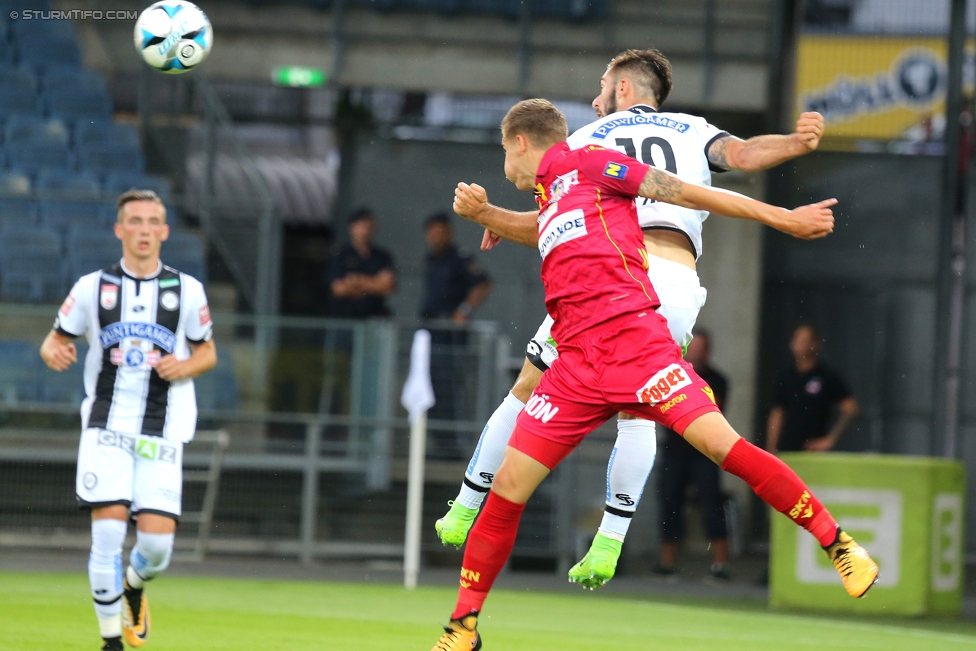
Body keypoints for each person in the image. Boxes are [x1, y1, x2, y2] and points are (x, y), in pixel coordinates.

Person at [429, 99, 876, 651]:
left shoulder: (591, 162)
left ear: (520, 141)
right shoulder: (551, 200)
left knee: (726, 450)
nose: (503, 167)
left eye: (502, 151)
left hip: (640, 350)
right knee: (509, 491)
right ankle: (463, 628)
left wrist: (783, 218)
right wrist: (488, 215)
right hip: (575, 366)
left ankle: (838, 544)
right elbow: (541, 226)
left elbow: (684, 191)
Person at [39, 190, 217, 651]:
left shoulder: (187, 290)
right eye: (134, 221)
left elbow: (207, 351)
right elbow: (51, 341)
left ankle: (134, 587)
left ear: (164, 231)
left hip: (163, 429)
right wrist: (54, 351)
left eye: (152, 221)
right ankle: (110, 642)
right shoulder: (91, 288)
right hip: (106, 427)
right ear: (120, 229)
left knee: (156, 550)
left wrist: (186, 365)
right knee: (109, 531)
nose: (143, 229)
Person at [653, 330, 731, 580]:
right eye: (693, 347)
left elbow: (706, 411)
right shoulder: (672, 375)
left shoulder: (718, 380)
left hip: (704, 453)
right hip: (675, 451)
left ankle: (720, 564)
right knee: (669, 503)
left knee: (712, 503)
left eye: (701, 348)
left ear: (708, 351)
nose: (697, 352)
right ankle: (668, 563)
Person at [420, 213, 493, 455]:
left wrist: (464, 310)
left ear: (449, 232)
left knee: (450, 386)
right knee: (430, 386)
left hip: (450, 334)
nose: (436, 236)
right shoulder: (431, 258)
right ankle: (438, 442)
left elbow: (483, 282)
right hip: (431, 330)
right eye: (432, 232)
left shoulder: (459, 258)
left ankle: (453, 445)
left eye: (441, 231)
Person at [766, 322, 860, 453]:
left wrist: (830, 439)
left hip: (813, 452)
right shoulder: (786, 377)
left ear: (816, 343)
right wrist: (771, 449)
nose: (802, 345)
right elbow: (777, 414)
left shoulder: (826, 376)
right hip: (787, 452)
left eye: (806, 340)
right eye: (798, 340)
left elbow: (851, 409)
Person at [327, 207, 396, 319]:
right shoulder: (340, 253)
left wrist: (356, 280)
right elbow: (339, 289)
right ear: (352, 227)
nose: (365, 231)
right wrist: (374, 284)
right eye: (362, 226)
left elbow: (388, 287)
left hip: (374, 318)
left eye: (369, 227)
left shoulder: (382, 256)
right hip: (345, 319)